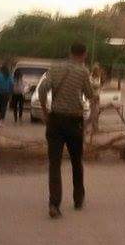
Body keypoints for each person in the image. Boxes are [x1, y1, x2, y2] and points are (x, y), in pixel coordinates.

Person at [37, 42, 98, 219]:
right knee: (76, 161)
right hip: (74, 121)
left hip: (55, 119)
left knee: (54, 163)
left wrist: (44, 110)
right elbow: (90, 95)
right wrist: (90, 119)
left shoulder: (55, 68)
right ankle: (78, 198)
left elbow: (42, 89)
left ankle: (54, 204)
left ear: (69, 52)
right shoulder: (83, 71)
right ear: (84, 54)